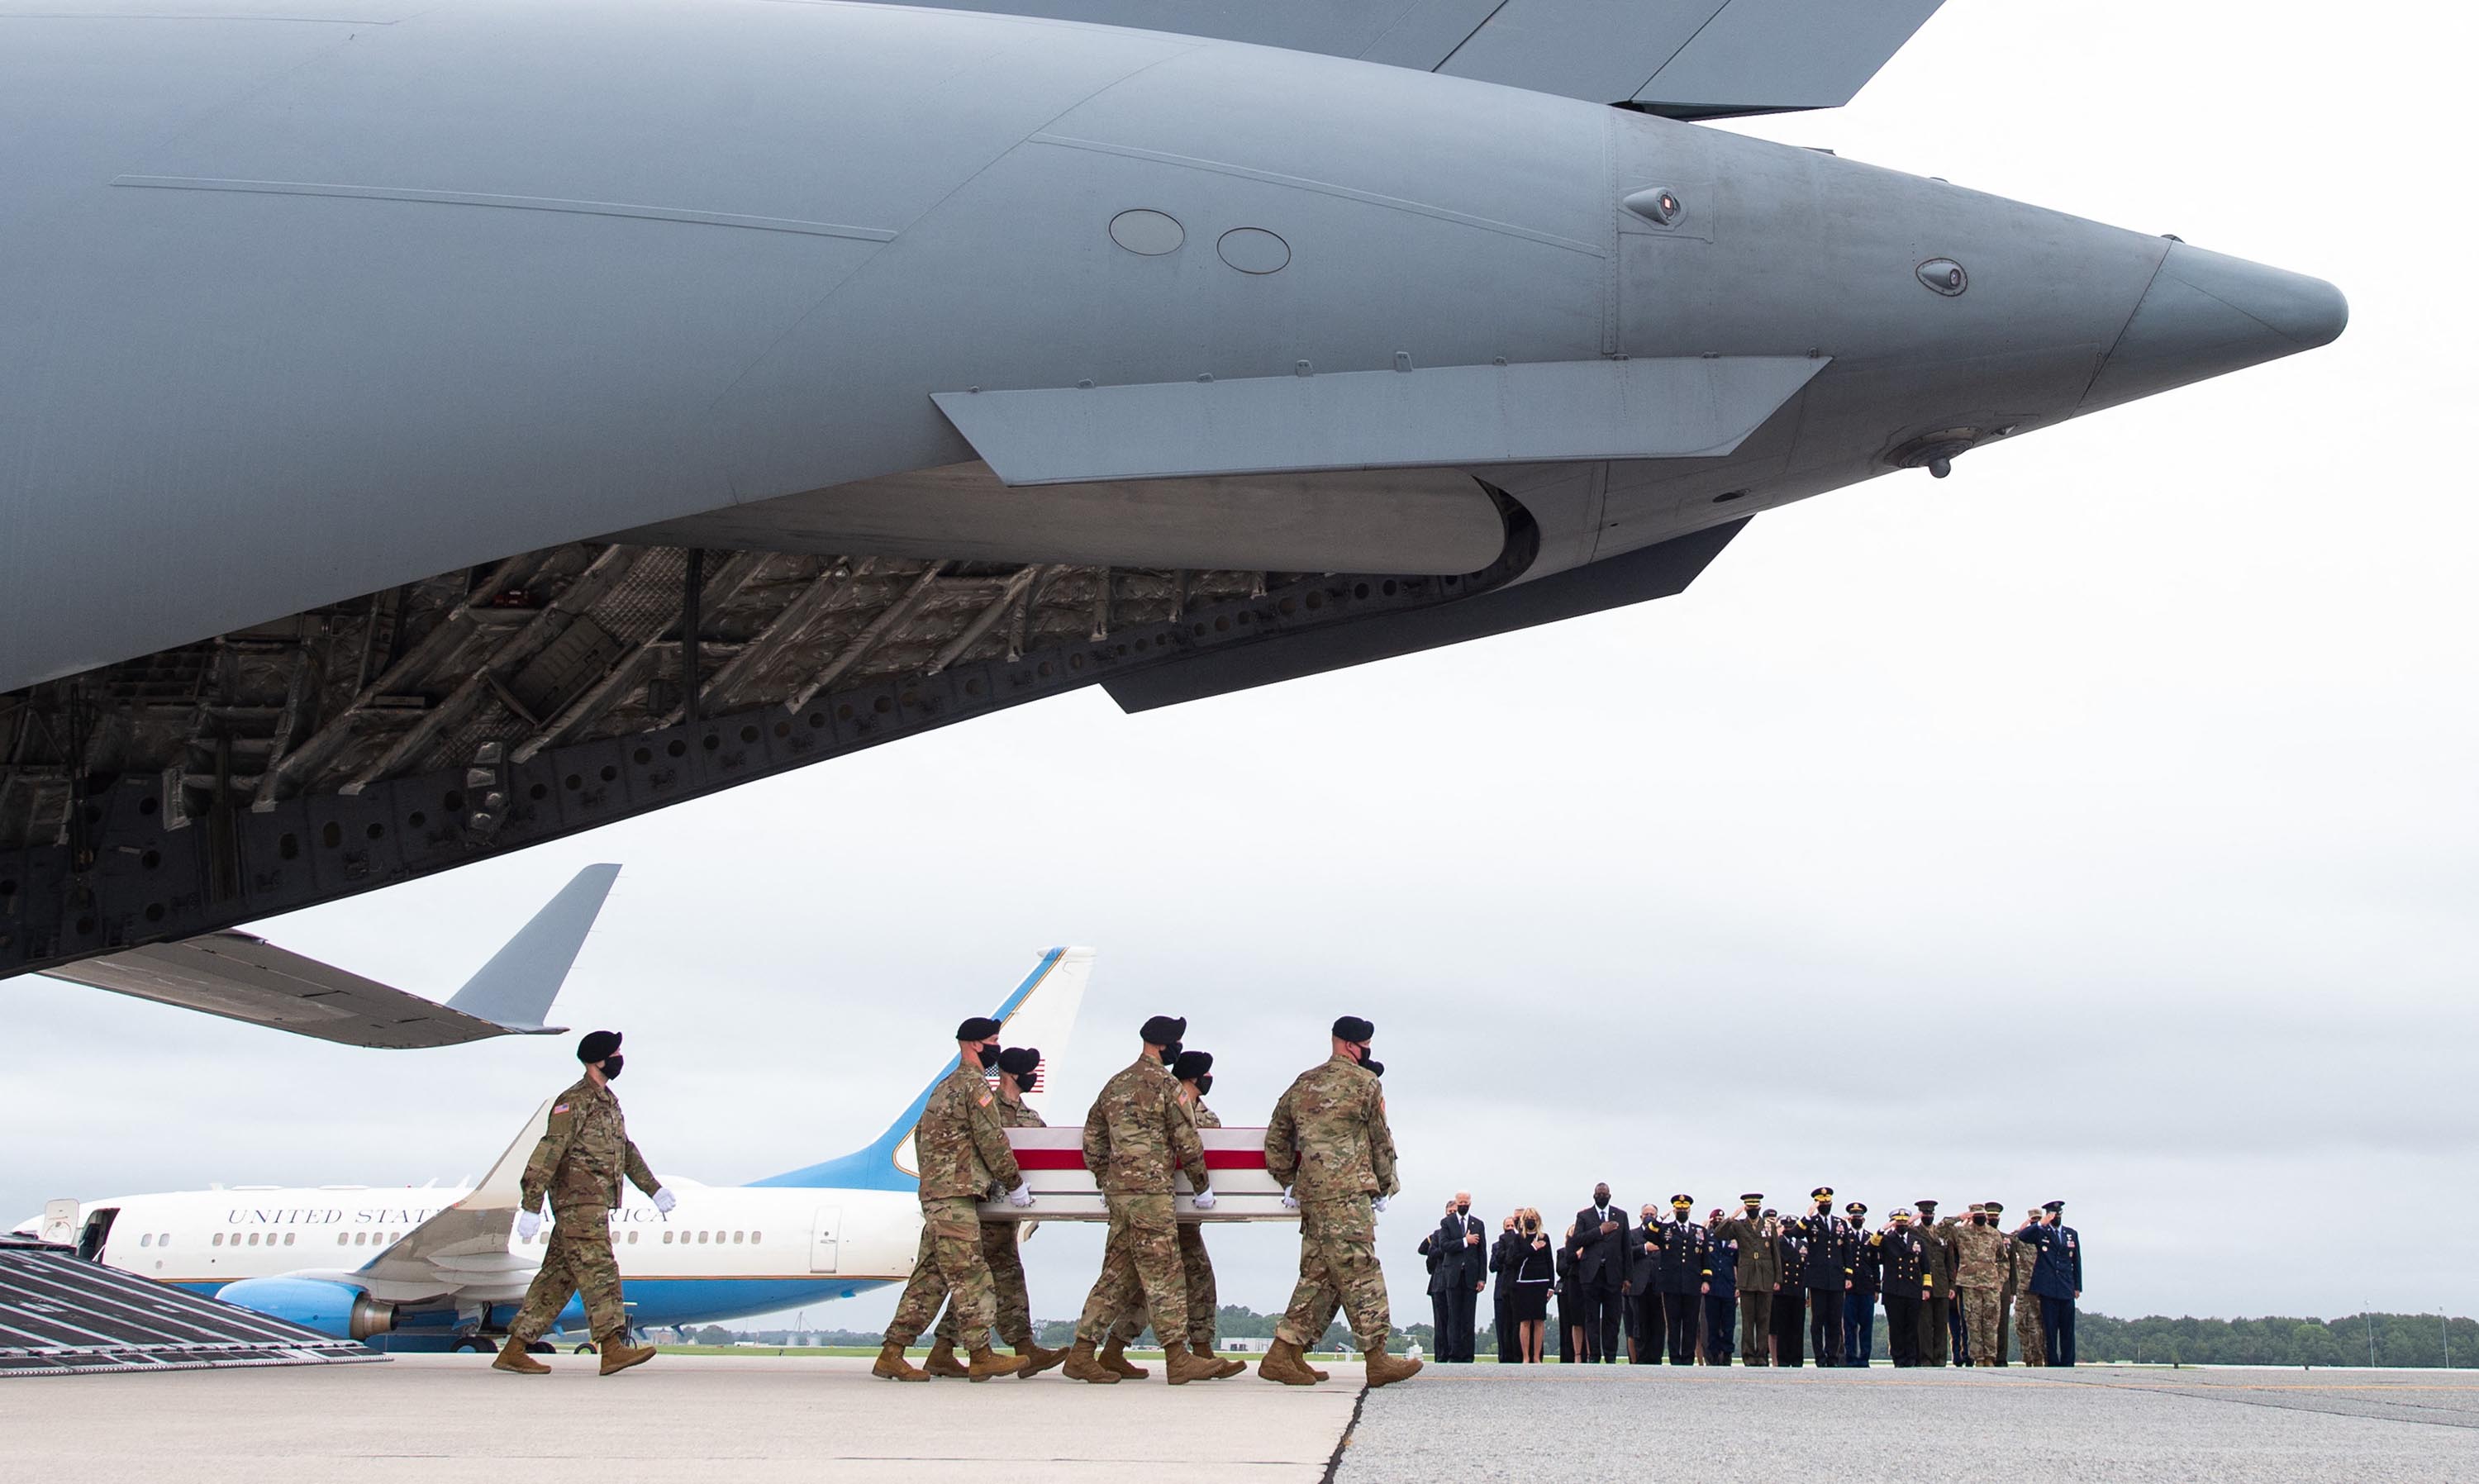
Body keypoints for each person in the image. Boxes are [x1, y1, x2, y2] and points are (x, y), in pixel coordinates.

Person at [496, 1030, 673, 1377]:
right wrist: (531, 1204)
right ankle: (612, 1348)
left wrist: (654, 1189)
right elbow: (548, 1152)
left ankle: (514, 1348)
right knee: (600, 1270)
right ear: (599, 1059)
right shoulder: (573, 1101)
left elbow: (625, 1151)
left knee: (557, 1279)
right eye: (617, 1052)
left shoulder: (608, 1101)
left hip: (594, 1202)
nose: (622, 1058)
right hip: (578, 1203)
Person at [1259, 1015, 1420, 1387]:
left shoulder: (1304, 1083)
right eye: (1366, 1046)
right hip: (1348, 1193)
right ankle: (1377, 1358)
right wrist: (1382, 1186)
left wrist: (1288, 1179)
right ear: (1352, 1046)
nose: (1366, 1053)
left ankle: (1283, 1353)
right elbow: (1381, 1142)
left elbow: (1276, 1137)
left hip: (1313, 1194)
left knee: (1321, 1274)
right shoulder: (1366, 1083)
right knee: (1361, 1269)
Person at [876, 1017, 1035, 1382]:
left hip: (938, 1194)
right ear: (977, 1045)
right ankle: (981, 1355)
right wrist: (1014, 1182)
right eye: (994, 1040)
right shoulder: (974, 1086)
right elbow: (991, 1138)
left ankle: (892, 1352)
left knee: (930, 1279)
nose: (997, 1047)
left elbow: (921, 1139)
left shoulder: (944, 1087)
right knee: (973, 1274)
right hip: (955, 1196)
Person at [1065, 1014, 1218, 1386]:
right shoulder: (1167, 1086)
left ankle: (1082, 1353)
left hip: (1120, 1195)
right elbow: (1187, 1140)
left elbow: (1093, 1139)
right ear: (1164, 1046)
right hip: (1151, 1194)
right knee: (1165, 1273)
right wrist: (1201, 1186)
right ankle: (1178, 1359)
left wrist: (1108, 1178)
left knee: (1117, 1276)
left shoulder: (1115, 1084)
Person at [925, 1046, 1067, 1378]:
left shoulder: (1031, 1118)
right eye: (1028, 1070)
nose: (1033, 1075)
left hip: (1006, 1218)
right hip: (980, 1209)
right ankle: (946, 1349)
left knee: (1009, 1280)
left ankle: (1023, 1347)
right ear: (1012, 1074)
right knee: (973, 1283)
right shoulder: (986, 1107)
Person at [1103, 1049, 1241, 1378]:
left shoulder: (1207, 1117)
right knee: (1143, 1285)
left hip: (1185, 1220)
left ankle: (1203, 1349)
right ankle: (1114, 1349)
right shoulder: (1161, 1102)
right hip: (1156, 1208)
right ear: (1195, 1078)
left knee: (1199, 1281)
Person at [1711, 1194, 1775, 1366]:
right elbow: (1718, 1233)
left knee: (1763, 1319)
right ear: (1746, 1208)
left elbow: (1775, 1253)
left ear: (1760, 1207)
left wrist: (1778, 1279)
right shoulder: (1738, 1226)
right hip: (1746, 1278)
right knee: (1748, 1320)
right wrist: (1731, 1218)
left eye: (1755, 1207)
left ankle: (1762, 1355)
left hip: (1765, 1277)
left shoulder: (1769, 1226)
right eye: (1749, 1207)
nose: (1753, 1210)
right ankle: (1748, 1355)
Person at [2018, 1200, 2082, 1366]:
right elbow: (2022, 1236)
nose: (2057, 1217)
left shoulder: (2070, 1234)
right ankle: (2053, 1362)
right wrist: (2040, 1223)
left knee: (2068, 1329)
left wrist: (2077, 1286)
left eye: (2059, 1214)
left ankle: (2068, 1362)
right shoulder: (2042, 1232)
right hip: (2047, 1288)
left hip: (2066, 1286)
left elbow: (2076, 1261)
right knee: (2050, 1329)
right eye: (2054, 1214)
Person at [1568, 1182, 1628, 1362]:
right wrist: (1600, 1231)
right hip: (1591, 1274)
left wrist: (1628, 1276)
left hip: (1613, 1274)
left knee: (1613, 1317)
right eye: (1599, 1194)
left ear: (1610, 1195)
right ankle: (1594, 1355)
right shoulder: (1584, 1216)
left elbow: (1626, 1248)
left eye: (1605, 1194)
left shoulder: (1621, 1215)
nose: (1602, 1196)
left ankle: (1610, 1355)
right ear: (1594, 1196)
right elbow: (1577, 1240)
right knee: (1592, 1317)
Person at [1795, 1187, 1851, 1367]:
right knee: (1818, 1320)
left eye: (1827, 1202)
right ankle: (1820, 1357)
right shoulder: (1811, 1222)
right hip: (1817, 1278)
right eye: (1821, 1202)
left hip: (1836, 1278)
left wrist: (1848, 1275)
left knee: (1835, 1320)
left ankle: (1833, 1357)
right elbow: (1796, 1233)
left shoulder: (1840, 1224)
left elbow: (1847, 1252)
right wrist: (1807, 1216)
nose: (1825, 1205)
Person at [1649, 1194, 1709, 1365]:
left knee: (1690, 1324)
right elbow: (1648, 1233)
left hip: (1692, 1283)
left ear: (1689, 1210)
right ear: (1675, 1210)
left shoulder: (1699, 1231)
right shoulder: (1666, 1229)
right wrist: (1661, 1218)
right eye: (1679, 1209)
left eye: (1684, 1209)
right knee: (1673, 1323)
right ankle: (1675, 1357)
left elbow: (1705, 1258)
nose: (1682, 1211)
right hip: (1671, 1284)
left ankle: (1687, 1358)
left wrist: (1706, 1280)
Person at [1951, 1200, 2011, 1366]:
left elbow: (2004, 1261)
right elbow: (1942, 1229)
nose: (1980, 1218)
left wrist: (2000, 1280)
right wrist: (1959, 1217)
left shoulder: (1993, 1234)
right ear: (1971, 1216)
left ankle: (1991, 1357)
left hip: (1991, 1285)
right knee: (1973, 1323)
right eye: (1976, 1216)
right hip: (1970, 1285)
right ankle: (1978, 1358)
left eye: (1982, 1215)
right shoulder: (1961, 1233)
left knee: (1991, 1323)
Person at [1872, 1209, 1932, 1367]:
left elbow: (1926, 1266)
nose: (1902, 1225)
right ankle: (1899, 1359)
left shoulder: (1917, 1241)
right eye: (1899, 1222)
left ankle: (1912, 1359)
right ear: (1894, 1223)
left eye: (1905, 1222)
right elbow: (1871, 1247)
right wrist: (1881, 1230)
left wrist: (1926, 1288)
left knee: (1912, 1326)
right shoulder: (1887, 1240)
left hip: (1913, 1289)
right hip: (1894, 1290)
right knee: (1896, 1327)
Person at [1508, 1207, 1556, 1363]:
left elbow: (1550, 1262)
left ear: (1538, 1220)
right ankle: (1526, 1357)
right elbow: (1514, 1260)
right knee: (1525, 1321)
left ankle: (1536, 1357)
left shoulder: (1545, 1237)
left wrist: (1551, 1286)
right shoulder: (1518, 1239)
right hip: (1523, 1283)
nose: (1530, 1220)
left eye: (1533, 1218)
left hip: (1541, 1282)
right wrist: (1533, 1248)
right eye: (1528, 1217)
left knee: (1539, 1321)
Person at [1915, 1198, 1954, 1367]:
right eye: (1925, 1213)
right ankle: (1926, 1359)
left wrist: (1952, 1285)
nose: (1928, 1216)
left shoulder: (1942, 1235)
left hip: (1942, 1285)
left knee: (1940, 1325)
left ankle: (1940, 1359)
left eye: (1930, 1213)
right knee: (1924, 1325)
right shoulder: (1914, 1232)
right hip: (1923, 1286)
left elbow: (1950, 1262)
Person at [1621, 1202, 1660, 1363]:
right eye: (1646, 1214)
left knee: (1658, 1326)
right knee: (1640, 1325)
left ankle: (1656, 1359)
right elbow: (1626, 1254)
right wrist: (1645, 1248)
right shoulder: (1632, 1234)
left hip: (1658, 1287)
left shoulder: (1662, 1234)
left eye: (1652, 1214)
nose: (1649, 1217)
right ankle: (1641, 1360)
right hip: (1638, 1287)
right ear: (1641, 1217)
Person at [1842, 1201, 1878, 1367]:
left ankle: (1864, 1358)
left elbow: (1875, 1265)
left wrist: (1877, 1288)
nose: (1857, 1219)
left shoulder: (1870, 1238)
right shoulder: (1844, 1237)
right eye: (1854, 1216)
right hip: (1849, 1288)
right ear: (1850, 1219)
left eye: (1859, 1216)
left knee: (1866, 1325)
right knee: (1849, 1325)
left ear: (1863, 1219)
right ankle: (1850, 1357)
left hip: (1866, 1287)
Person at [2011, 1205, 2048, 1366]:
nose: (2035, 1224)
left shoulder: (2047, 1237)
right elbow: (2007, 1241)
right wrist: (2021, 1229)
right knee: (2020, 1324)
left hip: (2040, 1288)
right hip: (2023, 1288)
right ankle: (2027, 1357)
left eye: (2038, 1220)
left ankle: (2040, 1358)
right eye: (2032, 1220)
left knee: (2038, 1326)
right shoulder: (2023, 1239)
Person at [1701, 1210, 1737, 1365]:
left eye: (1721, 1219)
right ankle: (1713, 1356)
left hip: (1729, 1288)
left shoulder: (1733, 1241)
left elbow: (1738, 1264)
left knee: (1729, 1326)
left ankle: (1727, 1355)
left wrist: (1738, 1286)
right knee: (1712, 1325)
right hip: (1712, 1288)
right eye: (1716, 1219)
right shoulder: (1707, 1239)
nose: (1718, 1221)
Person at [1769, 1215, 1806, 1367]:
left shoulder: (1803, 1244)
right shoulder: (1777, 1243)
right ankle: (1783, 1360)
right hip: (1782, 1290)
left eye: (1792, 1227)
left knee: (1798, 1328)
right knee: (1782, 1328)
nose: (1788, 1229)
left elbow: (1806, 1269)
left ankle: (1797, 1360)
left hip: (1798, 1290)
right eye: (1786, 1226)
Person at [1489, 1214, 1522, 1363]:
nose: (1509, 1229)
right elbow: (1493, 1266)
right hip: (1501, 1287)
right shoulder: (1497, 1245)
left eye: (1511, 1226)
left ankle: (1517, 1355)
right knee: (1502, 1324)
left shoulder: (1521, 1243)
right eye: (1507, 1226)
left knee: (1515, 1323)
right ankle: (1503, 1356)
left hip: (1516, 1287)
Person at [1555, 1222, 1580, 1363]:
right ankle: (1566, 1357)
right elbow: (1562, 1269)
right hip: (1565, 1290)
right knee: (1566, 1324)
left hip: (1580, 1289)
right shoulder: (1562, 1252)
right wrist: (1575, 1256)